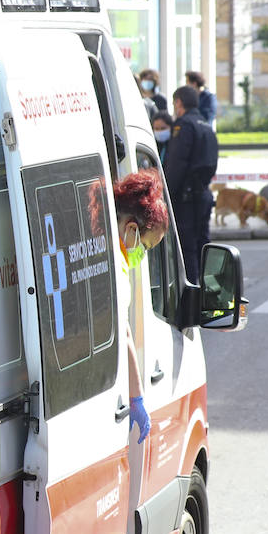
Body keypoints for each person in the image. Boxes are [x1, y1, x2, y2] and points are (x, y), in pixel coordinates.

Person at [114, 168, 171, 448]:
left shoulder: (110, 246)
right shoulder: (114, 261)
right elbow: (122, 333)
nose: (142, 254)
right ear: (132, 229)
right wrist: (137, 398)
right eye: (146, 247)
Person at [165, 85, 219, 282]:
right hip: (203, 194)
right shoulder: (205, 124)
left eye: (174, 103)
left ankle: (192, 293)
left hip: (186, 198)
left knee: (187, 248)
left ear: (179, 103)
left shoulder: (184, 125)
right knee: (202, 244)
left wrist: (166, 195)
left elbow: (177, 164)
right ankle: (207, 290)